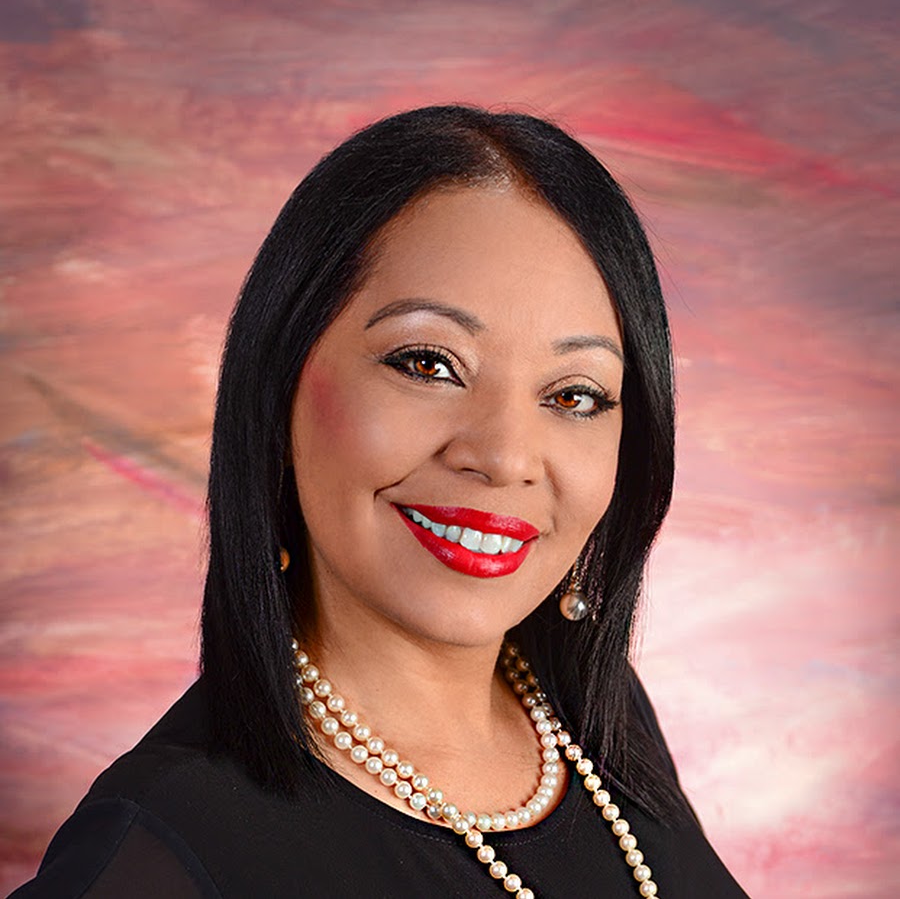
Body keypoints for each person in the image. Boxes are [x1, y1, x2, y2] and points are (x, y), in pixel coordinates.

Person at [12, 105, 749, 898]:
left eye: (573, 395)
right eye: (428, 363)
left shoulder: (595, 724)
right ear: (281, 384)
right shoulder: (164, 842)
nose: (504, 457)